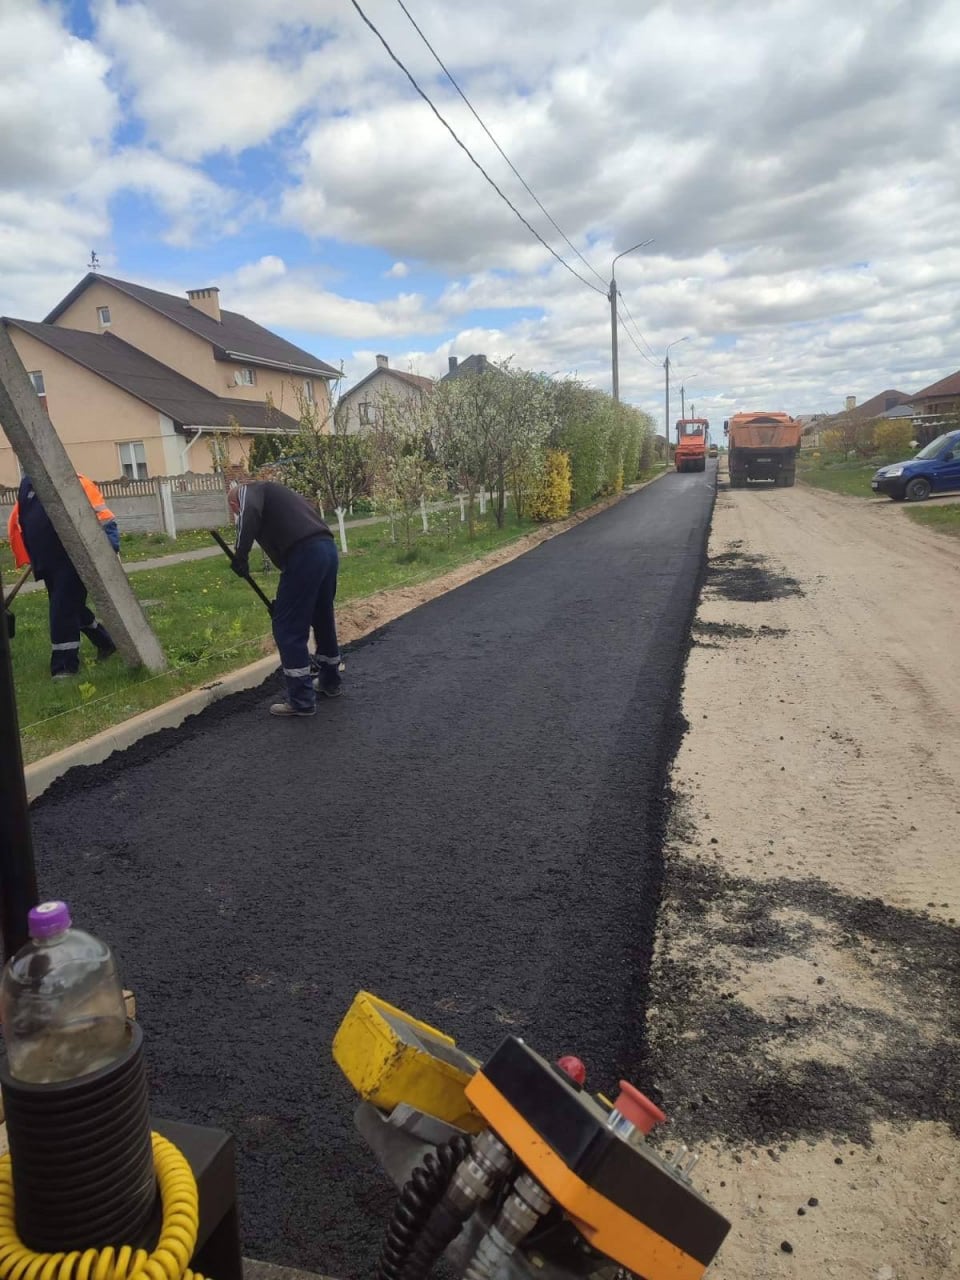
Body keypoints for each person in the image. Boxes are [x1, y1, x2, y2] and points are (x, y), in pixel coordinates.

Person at [227, 479, 342, 717]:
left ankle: (301, 700)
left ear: (234, 502)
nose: (236, 515)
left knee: (287, 628)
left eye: (234, 510)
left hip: (305, 553)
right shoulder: (281, 494)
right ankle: (330, 681)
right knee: (322, 617)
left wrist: (241, 555)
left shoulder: (249, 491)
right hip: (327, 550)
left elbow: (249, 512)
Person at [7, 474, 119, 678]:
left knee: (61, 610)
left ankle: (64, 667)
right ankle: (106, 643)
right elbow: (23, 522)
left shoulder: (70, 480)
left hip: (76, 558)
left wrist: (109, 550)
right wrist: (33, 556)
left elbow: (103, 517)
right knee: (73, 608)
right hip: (47, 562)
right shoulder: (27, 485)